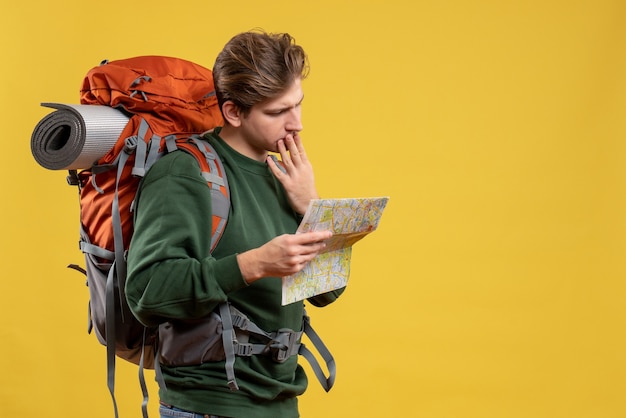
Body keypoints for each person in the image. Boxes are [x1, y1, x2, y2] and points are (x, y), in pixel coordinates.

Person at [125, 30, 344, 418]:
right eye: (277, 112)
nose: (297, 125)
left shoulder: (286, 173)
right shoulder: (185, 173)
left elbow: (327, 293)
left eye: (298, 105)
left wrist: (311, 205)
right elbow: (146, 292)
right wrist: (255, 264)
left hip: (280, 404)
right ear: (234, 112)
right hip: (210, 406)